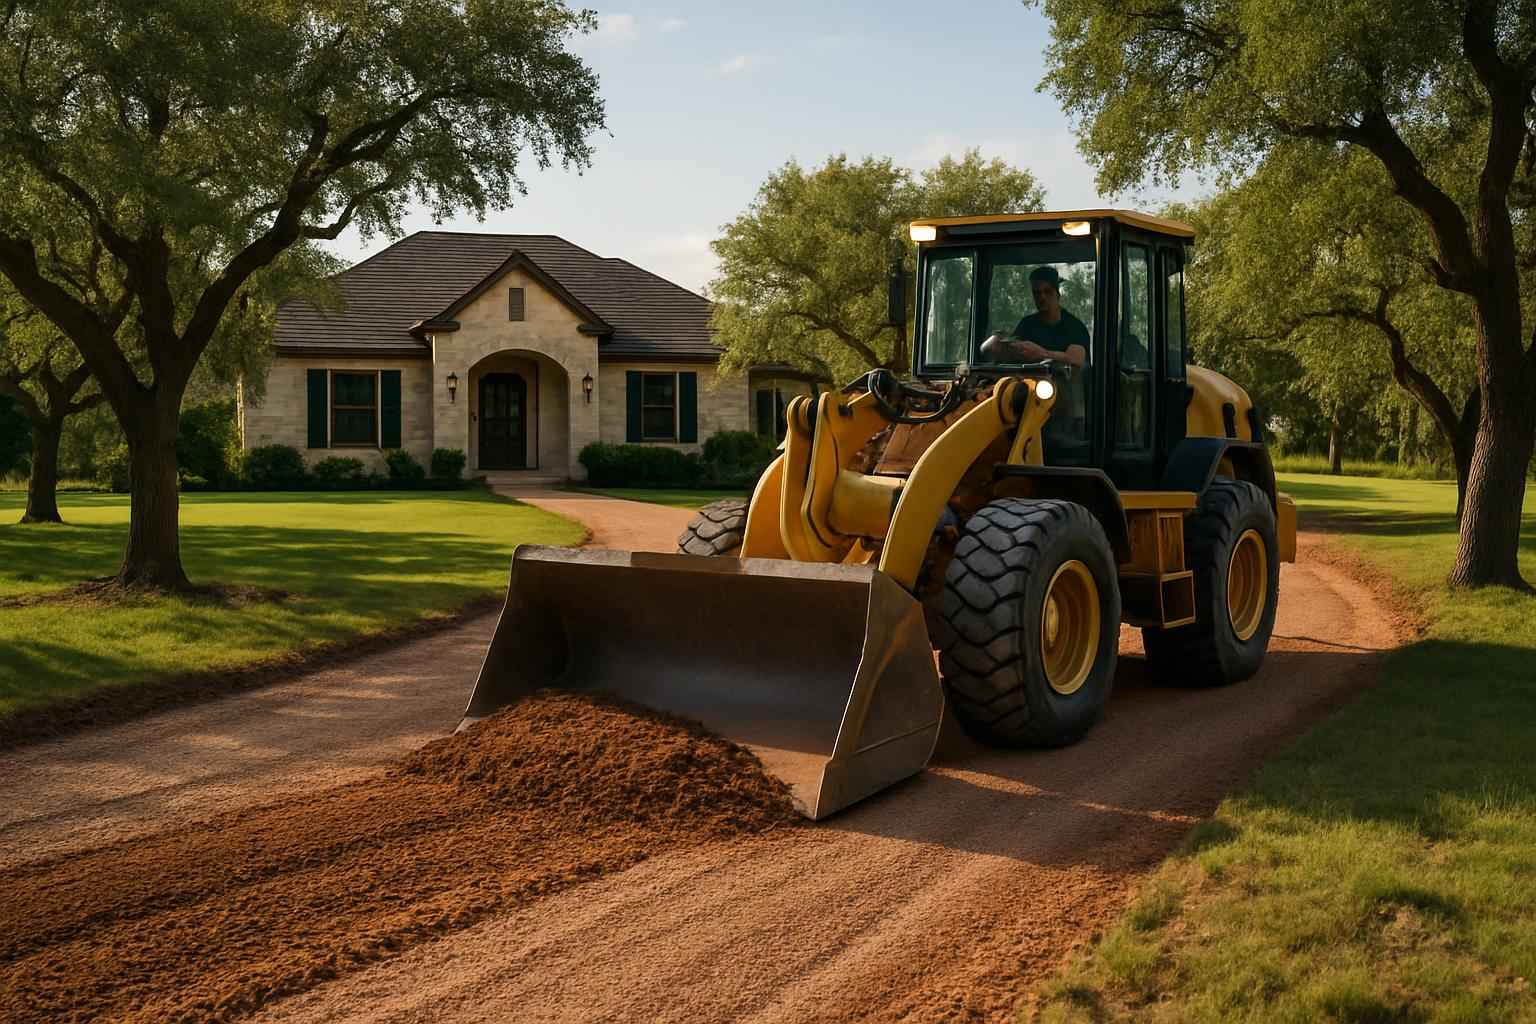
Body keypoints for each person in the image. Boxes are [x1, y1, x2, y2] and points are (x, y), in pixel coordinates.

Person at [979, 265, 1089, 368]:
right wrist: (1000, 344)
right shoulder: (1027, 324)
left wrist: (1041, 354)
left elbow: (1076, 360)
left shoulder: (1074, 327)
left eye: (1047, 291)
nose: (1042, 297)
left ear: (1057, 293)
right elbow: (1007, 352)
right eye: (1037, 293)